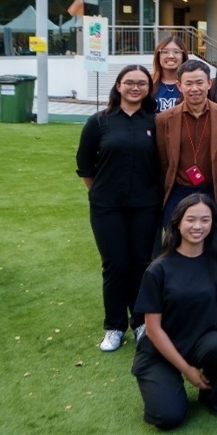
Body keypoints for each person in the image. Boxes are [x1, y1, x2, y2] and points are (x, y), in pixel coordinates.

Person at [131, 195, 217, 430]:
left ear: (212, 224)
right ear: (177, 223)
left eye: (205, 220)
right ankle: (169, 383)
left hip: (200, 342)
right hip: (160, 351)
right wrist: (187, 370)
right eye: (191, 220)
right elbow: (153, 329)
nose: (198, 226)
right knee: (168, 418)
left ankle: (210, 393)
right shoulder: (158, 269)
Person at [76, 64, 162, 352]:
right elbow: (85, 164)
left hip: (146, 206)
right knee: (115, 265)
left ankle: (139, 322)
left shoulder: (156, 121)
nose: (135, 88)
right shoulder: (99, 122)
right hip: (106, 207)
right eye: (129, 82)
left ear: (149, 89)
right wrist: (98, 193)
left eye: (142, 83)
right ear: (118, 86)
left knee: (141, 263)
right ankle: (114, 326)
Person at [155, 59, 217, 230]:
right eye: (188, 83)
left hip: (214, 189)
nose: (194, 89)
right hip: (179, 190)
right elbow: (163, 160)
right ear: (179, 86)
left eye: (200, 82)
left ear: (209, 83)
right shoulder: (164, 119)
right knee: (177, 243)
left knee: (216, 244)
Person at [151, 36, 188, 113]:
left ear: (183, 56)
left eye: (176, 52)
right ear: (158, 56)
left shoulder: (192, 85)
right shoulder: (148, 83)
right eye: (165, 52)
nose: (171, 56)